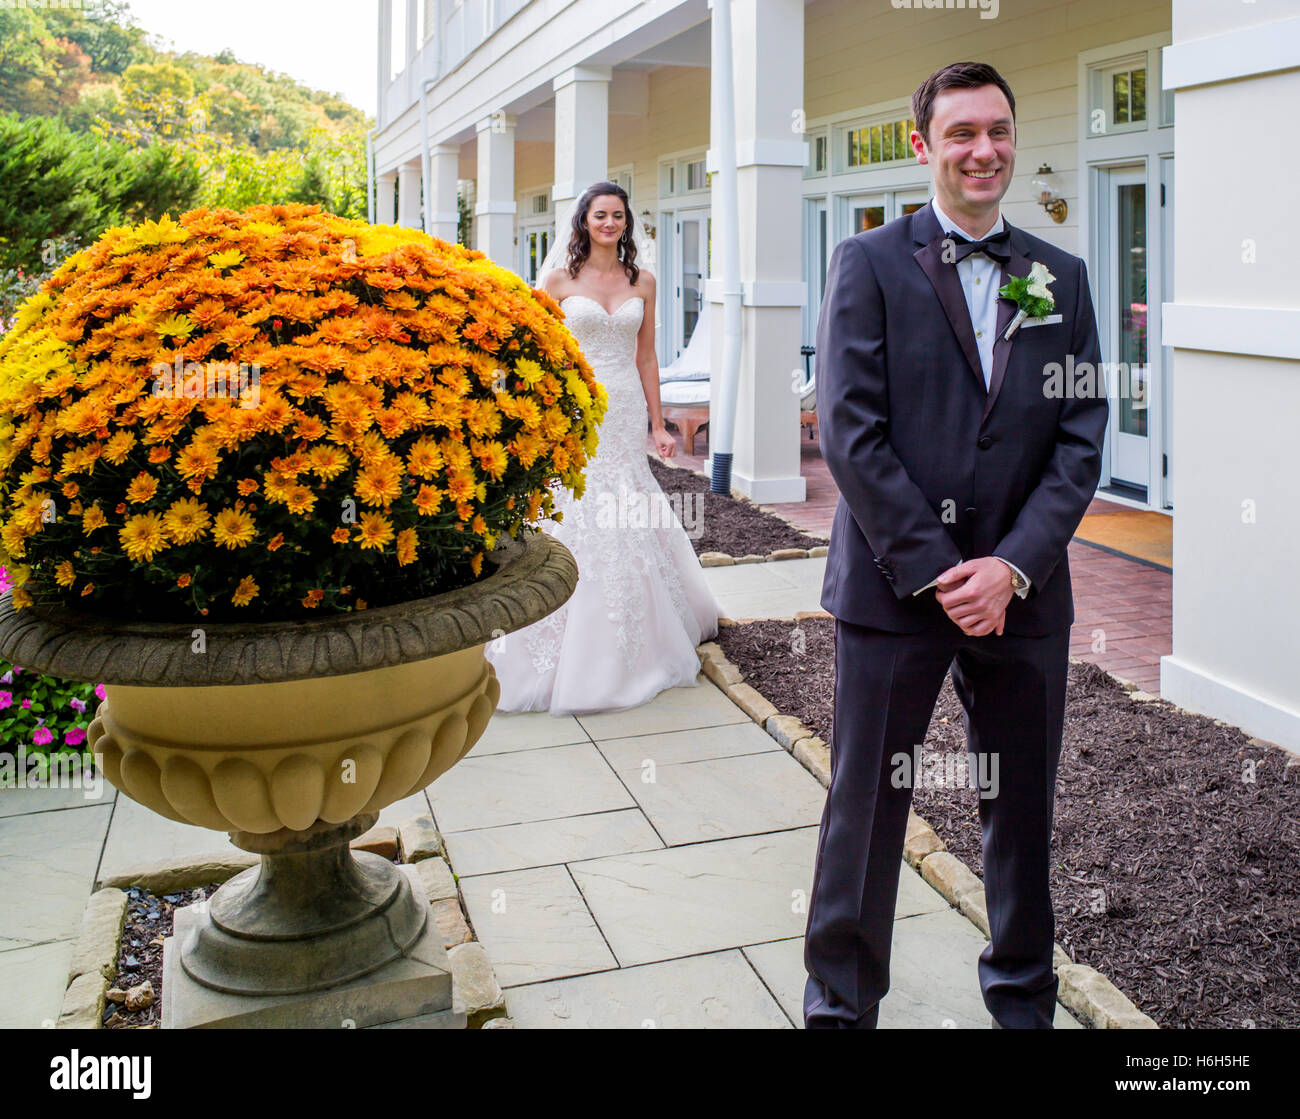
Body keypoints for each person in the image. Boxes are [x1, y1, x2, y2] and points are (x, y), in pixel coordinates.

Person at [803, 62, 1108, 1029]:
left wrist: (1013, 565)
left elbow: (1080, 430)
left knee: (1021, 813)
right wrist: (942, 568)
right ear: (921, 144)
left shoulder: (1061, 275)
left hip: (1024, 594)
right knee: (865, 814)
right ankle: (841, 1010)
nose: (985, 150)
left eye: (1000, 131)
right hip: (896, 591)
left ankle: (1024, 1006)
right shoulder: (869, 263)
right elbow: (851, 431)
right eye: (964, 132)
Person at [486, 181, 721, 715]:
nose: (609, 223)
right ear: (584, 222)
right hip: (578, 407)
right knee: (577, 502)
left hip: (625, 411)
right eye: (600, 215)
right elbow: (544, 355)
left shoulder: (644, 280)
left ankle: (640, 637)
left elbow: (647, 357)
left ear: (626, 221)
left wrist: (658, 425)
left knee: (626, 500)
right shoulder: (557, 279)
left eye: (617, 215)